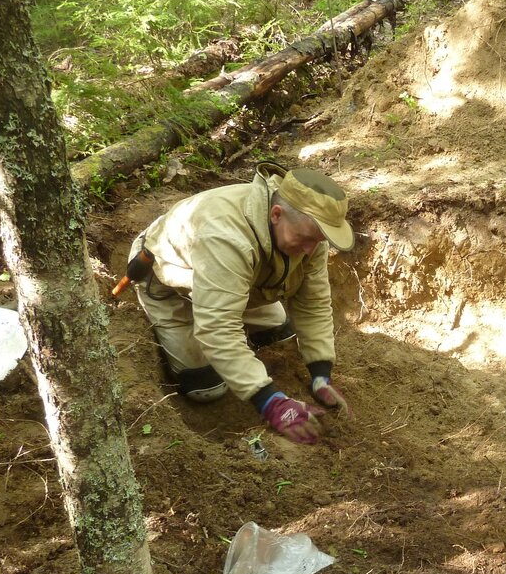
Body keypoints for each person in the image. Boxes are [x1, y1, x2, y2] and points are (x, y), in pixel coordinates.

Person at [129, 161, 353, 446]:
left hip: (237, 281)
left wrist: (321, 373)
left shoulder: (310, 234)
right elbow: (218, 329)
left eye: (318, 241)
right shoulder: (226, 237)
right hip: (171, 280)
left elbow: (314, 302)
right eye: (306, 239)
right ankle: (187, 324)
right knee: (206, 389)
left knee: (278, 332)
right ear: (276, 214)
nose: (312, 250)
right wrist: (269, 400)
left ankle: (224, 314)